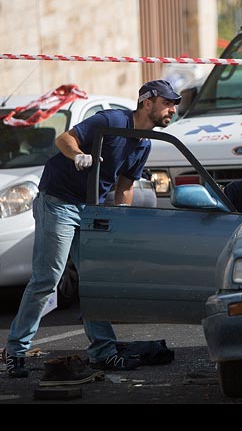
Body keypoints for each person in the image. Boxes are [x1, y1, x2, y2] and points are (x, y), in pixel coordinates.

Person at [4, 79, 181, 378]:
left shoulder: (144, 143)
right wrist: (78, 155)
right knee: (48, 277)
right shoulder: (111, 119)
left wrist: (118, 222)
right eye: (167, 103)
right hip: (59, 202)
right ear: (147, 102)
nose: (172, 109)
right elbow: (64, 139)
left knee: (94, 281)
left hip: (91, 208)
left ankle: (103, 352)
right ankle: (16, 350)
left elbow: (124, 187)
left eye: (174, 104)